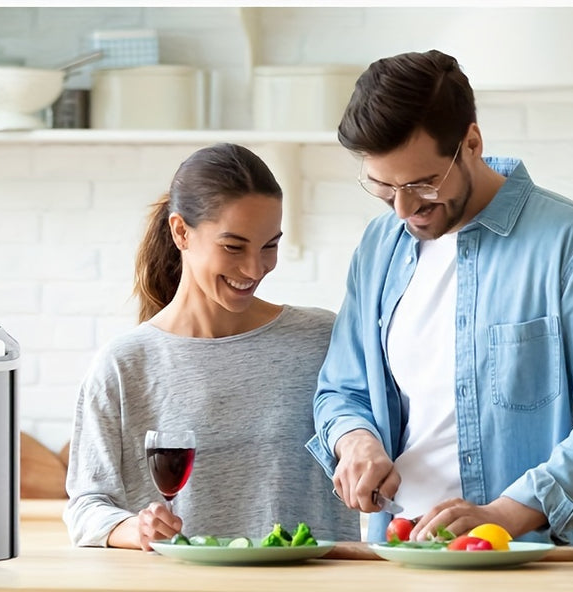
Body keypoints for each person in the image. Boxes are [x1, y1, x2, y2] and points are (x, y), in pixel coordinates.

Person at [307, 50, 573, 547]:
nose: (404, 209)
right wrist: (354, 438)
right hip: (399, 556)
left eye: (422, 184)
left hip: (528, 564)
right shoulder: (379, 247)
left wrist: (503, 515)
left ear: (471, 142)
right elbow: (342, 389)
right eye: (383, 187)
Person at [64, 143, 360, 550]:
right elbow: (86, 506)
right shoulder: (125, 365)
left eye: (269, 246)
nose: (255, 269)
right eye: (233, 247)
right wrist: (139, 529)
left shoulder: (322, 340)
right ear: (180, 231)